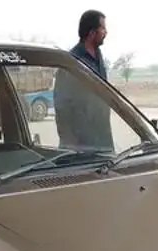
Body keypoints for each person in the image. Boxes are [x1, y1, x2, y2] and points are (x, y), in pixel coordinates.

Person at [53, 10, 113, 152]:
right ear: (92, 33)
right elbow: (61, 106)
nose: (106, 32)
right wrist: (70, 143)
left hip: (102, 140)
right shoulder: (72, 61)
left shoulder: (98, 57)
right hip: (80, 146)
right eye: (103, 28)